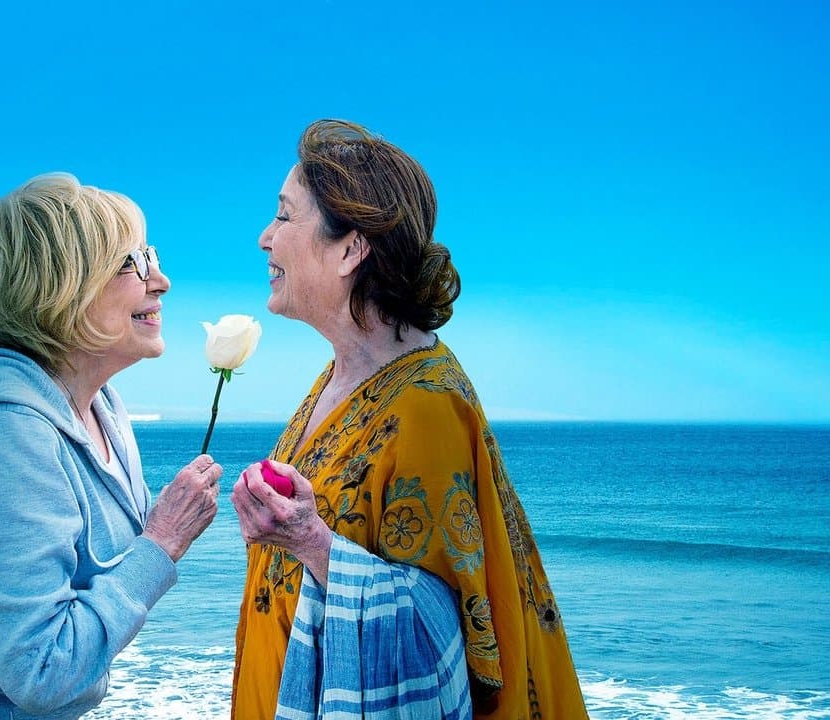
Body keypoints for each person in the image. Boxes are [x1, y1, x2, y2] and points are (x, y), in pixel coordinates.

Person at [230, 120, 589, 719]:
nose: (265, 238)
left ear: (351, 250)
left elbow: (437, 634)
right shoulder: (342, 374)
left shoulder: (426, 408)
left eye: (285, 216)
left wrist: (311, 542)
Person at [0, 173, 223, 719]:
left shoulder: (99, 405)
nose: (161, 281)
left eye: (153, 257)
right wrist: (164, 540)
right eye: (133, 263)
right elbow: (43, 669)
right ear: (58, 289)